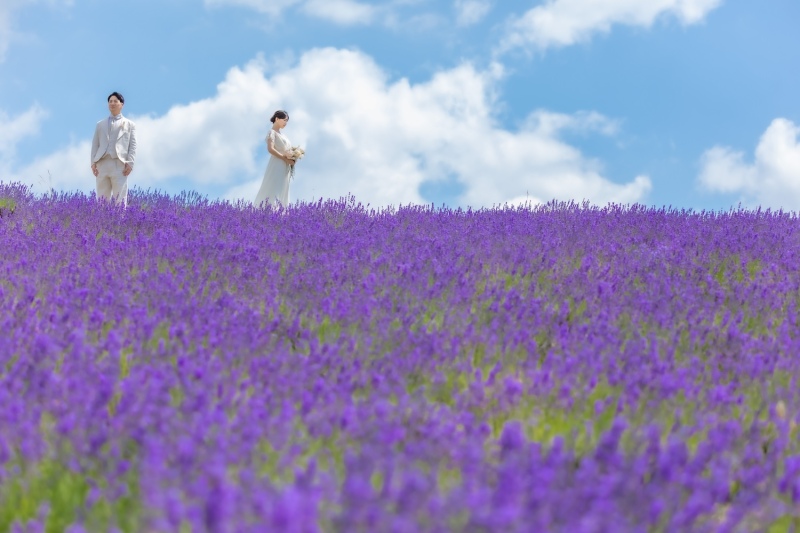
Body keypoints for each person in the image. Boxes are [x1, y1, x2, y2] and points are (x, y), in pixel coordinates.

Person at [91, 92, 137, 207]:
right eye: (110, 101)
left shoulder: (130, 125)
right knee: (102, 200)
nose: (112, 103)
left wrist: (130, 163)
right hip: (102, 163)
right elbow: (95, 144)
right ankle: (102, 223)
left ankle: (119, 224)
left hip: (119, 164)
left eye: (115, 101)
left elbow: (133, 145)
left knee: (120, 199)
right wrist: (93, 163)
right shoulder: (100, 124)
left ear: (122, 104)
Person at [254, 110, 294, 207]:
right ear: (277, 119)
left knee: (283, 188)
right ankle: (268, 209)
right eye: (284, 120)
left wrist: (293, 158)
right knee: (274, 186)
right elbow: (270, 149)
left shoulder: (283, 135)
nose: (286, 123)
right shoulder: (272, 132)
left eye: (287, 121)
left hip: (285, 166)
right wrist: (284, 158)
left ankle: (281, 211)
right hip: (277, 163)